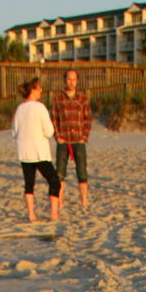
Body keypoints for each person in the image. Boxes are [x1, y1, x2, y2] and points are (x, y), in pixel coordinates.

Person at [11, 77, 61, 222]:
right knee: (54, 181)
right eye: (39, 88)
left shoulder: (20, 108)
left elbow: (14, 131)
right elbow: (49, 131)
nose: (41, 90)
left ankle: (31, 214)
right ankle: (54, 214)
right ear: (32, 90)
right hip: (39, 152)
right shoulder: (39, 107)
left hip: (24, 151)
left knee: (29, 183)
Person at [52, 68, 92, 209]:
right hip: (63, 140)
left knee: (82, 171)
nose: (72, 82)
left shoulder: (83, 98)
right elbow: (54, 119)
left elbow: (88, 119)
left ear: (77, 81)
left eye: (74, 79)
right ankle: (60, 201)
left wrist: (84, 137)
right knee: (60, 173)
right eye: (69, 79)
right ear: (65, 80)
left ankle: (83, 201)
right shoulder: (58, 99)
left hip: (78, 139)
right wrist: (57, 137)